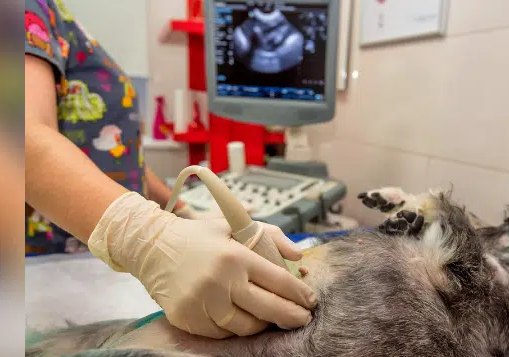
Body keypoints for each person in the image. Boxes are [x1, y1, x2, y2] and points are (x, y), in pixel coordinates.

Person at [24, 0, 316, 339]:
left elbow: (115, 155)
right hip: (56, 267)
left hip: (101, 269)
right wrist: (147, 237)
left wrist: (182, 213)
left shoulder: (54, 16)